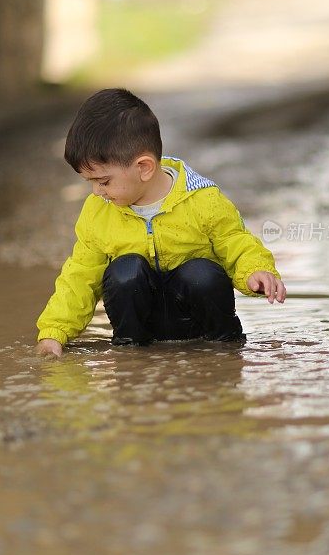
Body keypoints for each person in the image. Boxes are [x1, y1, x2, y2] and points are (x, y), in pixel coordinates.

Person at [35, 88, 286, 355]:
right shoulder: (98, 212)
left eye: (104, 181)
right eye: (91, 182)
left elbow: (236, 242)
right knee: (125, 270)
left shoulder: (202, 200)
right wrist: (54, 332)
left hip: (198, 322)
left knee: (201, 272)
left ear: (143, 167)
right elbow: (80, 275)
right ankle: (131, 353)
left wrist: (256, 271)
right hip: (143, 325)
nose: (97, 191)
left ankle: (224, 348)